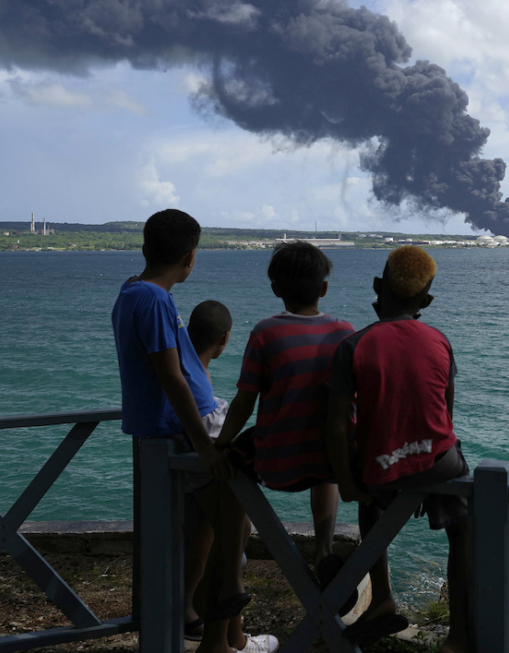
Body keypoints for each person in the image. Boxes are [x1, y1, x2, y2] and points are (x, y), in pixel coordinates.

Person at [112, 209, 277, 653]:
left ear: (146, 248)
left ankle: (201, 617)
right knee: (235, 524)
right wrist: (205, 447)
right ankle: (230, 640)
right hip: (191, 426)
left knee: (213, 528)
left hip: (166, 429)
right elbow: (172, 378)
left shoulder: (130, 292)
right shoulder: (157, 301)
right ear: (190, 257)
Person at [324, 246, 472, 653]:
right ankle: (459, 638)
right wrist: (425, 459)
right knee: (463, 532)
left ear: (377, 287)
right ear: (426, 302)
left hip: (383, 468)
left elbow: (337, 426)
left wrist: (347, 483)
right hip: (439, 462)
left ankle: (384, 593)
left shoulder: (353, 346)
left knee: (369, 505)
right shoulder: (439, 340)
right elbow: (446, 412)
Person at [215, 241, 355, 603]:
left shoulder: (266, 333)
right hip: (335, 463)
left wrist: (220, 444)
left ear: (276, 288)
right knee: (325, 449)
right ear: (324, 288)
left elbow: (245, 401)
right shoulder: (346, 333)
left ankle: (232, 562)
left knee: (231, 461)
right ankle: (322, 549)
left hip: (276, 465)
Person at [184, 300, 252, 642]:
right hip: (201, 469)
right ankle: (228, 639)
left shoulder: (183, 365)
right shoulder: (197, 383)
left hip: (181, 469)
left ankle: (200, 617)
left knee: (209, 537)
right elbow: (212, 428)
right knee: (235, 534)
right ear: (224, 339)